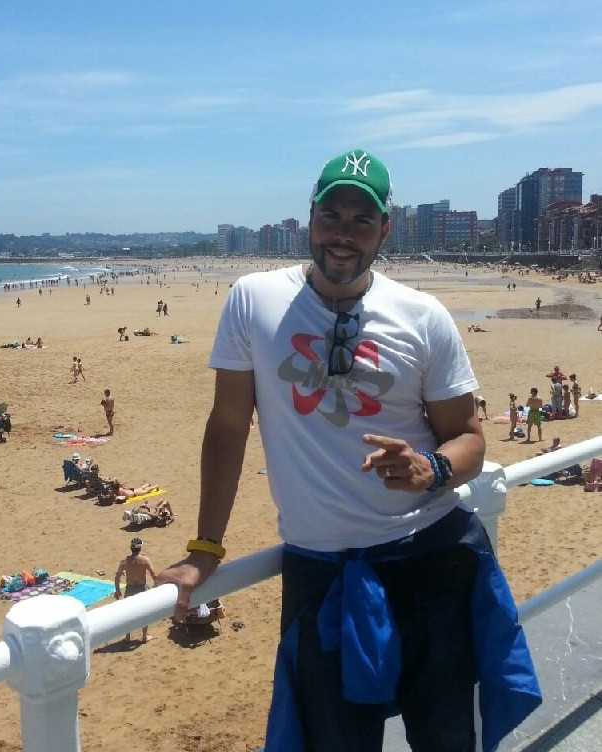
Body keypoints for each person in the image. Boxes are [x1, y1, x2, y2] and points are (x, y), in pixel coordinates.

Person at [156, 148, 540, 751]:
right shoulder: (253, 300)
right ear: (309, 218)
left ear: (384, 230)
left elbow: (470, 438)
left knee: (445, 738)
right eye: (331, 216)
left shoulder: (423, 316)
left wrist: (431, 467)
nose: (343, 234)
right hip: (321, 570)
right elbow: (228, 427)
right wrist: (205, 550)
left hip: (430, 557)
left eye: (362, 220)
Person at [114, 537, 156, 643]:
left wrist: (117, 590)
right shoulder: (145, 560)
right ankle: (144, 637)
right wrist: (156, 587)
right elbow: (154, 575)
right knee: (144, 613)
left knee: (128, 613)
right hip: (141, 588)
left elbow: (117, 576)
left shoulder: (124, 561)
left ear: (131, 548)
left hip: (130, 589)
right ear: (140, 548)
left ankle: (127, 636)